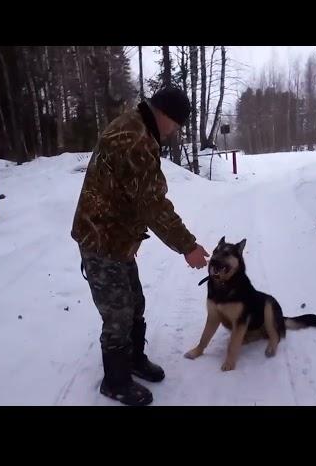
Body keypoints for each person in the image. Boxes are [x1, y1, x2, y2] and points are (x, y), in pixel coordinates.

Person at [71, 86, 209, 406]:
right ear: (163, 115)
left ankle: (133, 360)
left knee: (134, 302)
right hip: (101, 238)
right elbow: (152, 204)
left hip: (118, 238)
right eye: (175, 125)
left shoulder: (137, 127)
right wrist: (187, 245)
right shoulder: (134, 140)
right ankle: (115, 381)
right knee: (118, 313)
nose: (174, 133)